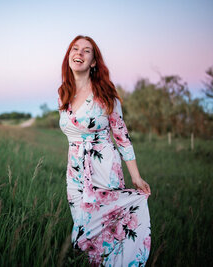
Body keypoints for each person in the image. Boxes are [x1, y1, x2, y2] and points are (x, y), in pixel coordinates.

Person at [58, 35, 151, 266]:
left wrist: (136, 177)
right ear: (69, 56)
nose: (78, 53)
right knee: (82, 232)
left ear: (93, 62)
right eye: (75, 49)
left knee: (106, 229)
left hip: (104, 170)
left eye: (86, 51)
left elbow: (122, 138)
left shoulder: (106, 95)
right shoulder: (63, 93)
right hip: (75, 174)